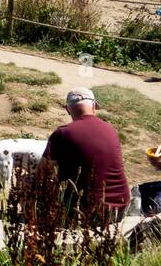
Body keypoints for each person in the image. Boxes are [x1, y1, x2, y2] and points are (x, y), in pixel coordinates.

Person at [40, 88, 131, 223]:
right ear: (93, 106)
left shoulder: (62, 134)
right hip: (120, 208)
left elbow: (42, 172)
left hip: (83, 212)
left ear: (67, 110)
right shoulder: (111, 130)